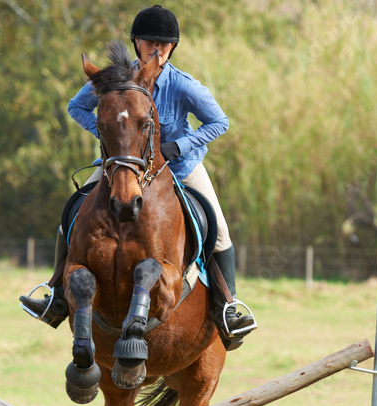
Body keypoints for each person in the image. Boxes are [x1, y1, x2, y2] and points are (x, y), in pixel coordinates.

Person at [20, 4, 255, 350]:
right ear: (136, 43)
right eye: (150, 42)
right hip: (124, 164)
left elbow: (220, 122)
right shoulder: (115, 80)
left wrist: (181, 145)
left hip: (179, 166)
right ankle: (55, 295)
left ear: (173, 48)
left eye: (165, 44)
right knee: (72, 211)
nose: (157, 50)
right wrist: (111, 138)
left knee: (218, 229)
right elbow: (76, 107)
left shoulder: (183, 85)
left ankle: (227, 307)